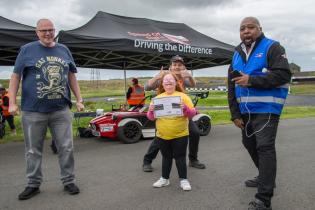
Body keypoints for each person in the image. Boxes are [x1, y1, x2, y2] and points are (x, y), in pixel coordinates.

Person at [8, 18, 84, 200]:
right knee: (33, 150)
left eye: (50, 30)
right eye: (44, 31)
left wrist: (79, 99)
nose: (48, 33)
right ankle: (33, 184)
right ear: (37, 32)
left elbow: (71, 76)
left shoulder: (63, 50)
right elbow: (16, 76)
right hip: (33, 111)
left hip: (61, 110)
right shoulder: (27, 50)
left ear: (54, 31)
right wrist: (12, 102)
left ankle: (68, 181)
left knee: (66, 147)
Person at [227, 17, 291, 210]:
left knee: (264, 147)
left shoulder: (273, 47)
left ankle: (264, 198)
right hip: (245, 112)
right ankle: (265, 177)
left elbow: (283, 75)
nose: (246, 31)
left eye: (250, 27)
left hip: (267, 109)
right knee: (249, 144)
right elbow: (231, 84)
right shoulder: (236, 53)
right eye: (242, 28)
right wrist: (234, 113)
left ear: (259, 29)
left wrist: (252, 80)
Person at [142, 55, 205, 172]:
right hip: (163, 112)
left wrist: (189, 75)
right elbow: (146, 86)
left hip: (180, 112)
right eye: (174, 64)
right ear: (170, 66)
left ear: (183, 66)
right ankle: (147, 161)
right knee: (159, 138)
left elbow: (193, 84)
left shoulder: (183, 76)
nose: (177, 67)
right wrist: (157, 77)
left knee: (195, 133)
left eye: (179, 65)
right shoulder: (164, 76)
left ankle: (193, 160)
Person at [147, 72, 197, 191]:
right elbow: (151, 117)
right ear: (162, 84)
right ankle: (165, 179)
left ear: (176, 82)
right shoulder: (157, 98)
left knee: (180, 157)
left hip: (180, 134)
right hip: (162, 135)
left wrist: (185, 109)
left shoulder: (183, 97)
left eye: (171, 80)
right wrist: (150, 111)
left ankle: (183, 180)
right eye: (166, 81)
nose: (168, 82)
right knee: (166, 157)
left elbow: (192, 114)